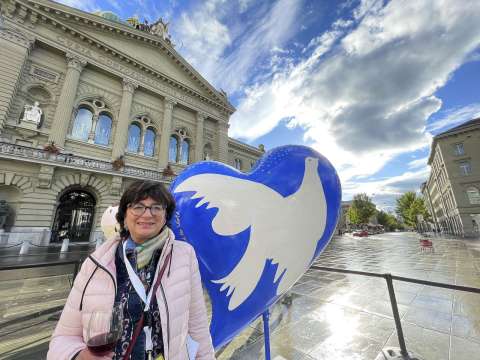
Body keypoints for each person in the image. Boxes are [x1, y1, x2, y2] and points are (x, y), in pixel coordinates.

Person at [47, 180, 215, 360]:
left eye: (157, 207)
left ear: (166, 216)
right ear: (124, 216)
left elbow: (198, 327)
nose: (147, 214)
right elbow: (64, 336)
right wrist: (78, 356)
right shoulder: (96, 263)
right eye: (138, 206)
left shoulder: (185, 256)